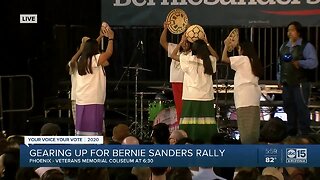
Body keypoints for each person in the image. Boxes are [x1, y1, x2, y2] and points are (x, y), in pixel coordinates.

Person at [171, 37, 217, 143]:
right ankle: (208, 144)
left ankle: (187, 143)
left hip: (190, 96)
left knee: (189, 125)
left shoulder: (188, 59)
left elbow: (173, 55)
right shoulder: (210, 60)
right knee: (206, 124)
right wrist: (207, 43)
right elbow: (217, 57)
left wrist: (180, 43)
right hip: (206, 97)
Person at [277, 21, 318, 136]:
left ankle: (304, 135)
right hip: (287, 84)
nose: (289, 33)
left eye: (292, 30)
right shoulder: (284, 46)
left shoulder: (306, 46)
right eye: (288, 30)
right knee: (288, 108)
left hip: (300, 83)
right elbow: (279, 64)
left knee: (301, 109)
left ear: (298, 32)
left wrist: (300, 63)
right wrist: (280, 79)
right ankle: (291, 134)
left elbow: (314, 62)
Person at [222, 40, 263, 144]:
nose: (239, 50)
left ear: (244, 49)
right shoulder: (253, 60)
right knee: (253, 127)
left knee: (245, 128)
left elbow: (224, 59)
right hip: (254, 97)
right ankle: (253, 149)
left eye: (239, 48)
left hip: (244, 98)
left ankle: (247, 151)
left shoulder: (243, 59)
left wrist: (226, 46)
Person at [75, 26, 114, 136]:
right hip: (93, 99)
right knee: (92, 132)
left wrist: (101, 36)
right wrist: (111, 38)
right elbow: (109, 53)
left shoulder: (82, 59)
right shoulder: (95, 59)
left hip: (82, 99)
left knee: (82, 131)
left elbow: (90, 47)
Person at [160, 21, 191, 126]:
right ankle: (181, 126)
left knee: (188, 107)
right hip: (176, 81)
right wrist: (165, 29)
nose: (185, 43)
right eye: (183, 40)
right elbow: (162, 42)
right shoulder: (174, 47)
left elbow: (197, 40)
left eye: (187, 41)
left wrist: (189, 28)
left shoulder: (192, 52)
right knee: (179, 106)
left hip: (188, 82)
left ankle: (187, 126)